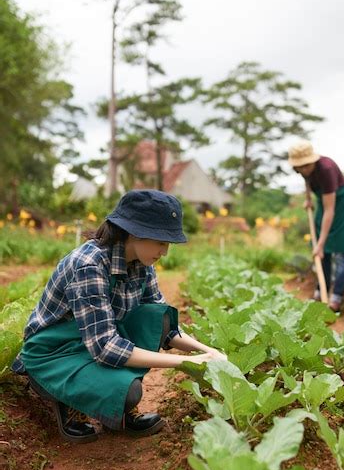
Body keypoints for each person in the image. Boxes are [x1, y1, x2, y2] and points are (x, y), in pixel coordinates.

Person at [11, 189, 226, 443]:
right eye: (161, 242)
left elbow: (166, 330)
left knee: (161, 317)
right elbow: (105, 348)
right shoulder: (89, 265)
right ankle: (60, 395)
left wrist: (207, 351)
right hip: (55, 352)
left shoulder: (142, 265)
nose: (164, 252)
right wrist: (187, 363)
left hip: (89, 343)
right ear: (135, 232)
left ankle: (109, 407)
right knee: (129, 393)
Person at [288, 140, 344, 312]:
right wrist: (309, 199)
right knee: (323, 253)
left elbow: (329, 210)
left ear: (312, 160)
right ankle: (321, 289)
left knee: (340, 249)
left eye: (306, 166)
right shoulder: (303, 170)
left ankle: (336, 297)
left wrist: (319, 244)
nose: (303, 170)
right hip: (324, 202)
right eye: (300, 167)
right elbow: (307, 181)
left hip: (339, 202)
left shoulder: (326, 169)